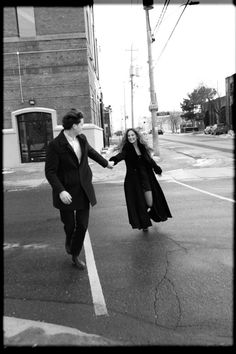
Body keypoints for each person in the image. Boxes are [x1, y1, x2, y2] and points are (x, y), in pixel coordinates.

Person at [45, 108, 114, 269]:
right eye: (81, 123)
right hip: (66, 192)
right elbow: (50, 172)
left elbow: (91, 152)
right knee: (69, 226)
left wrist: (106, 164)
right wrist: (60, 190)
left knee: (82, 226)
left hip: (83, 188)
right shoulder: (56, 145)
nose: (83, 126)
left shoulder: (81, 138)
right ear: (74, 125)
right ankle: (70, 241)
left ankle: (75, 255)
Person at [109, 128, 172, 231]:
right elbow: (121, 155)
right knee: (139, 202)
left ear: (136, 136)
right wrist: (113, 161)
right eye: (129, 136)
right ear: (127, 138)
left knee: (150, 202)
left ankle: (148, 215)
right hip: (133, 180)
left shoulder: (142, 147)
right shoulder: (127, 148)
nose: (131, 137)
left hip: (146, 178)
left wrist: (157, 169)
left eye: (132, 135)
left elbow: (149, 160)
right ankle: (144, 223)